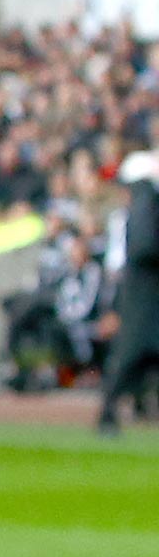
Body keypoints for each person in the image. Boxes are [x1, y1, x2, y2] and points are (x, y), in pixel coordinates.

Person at [98, 151, 159, 435]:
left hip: (141, 290)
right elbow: (145, 248)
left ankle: (117, 409)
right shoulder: (145, 203)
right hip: (144, 292)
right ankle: (109, 411)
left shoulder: (138, 207)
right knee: (133, 353)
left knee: (134, 355)